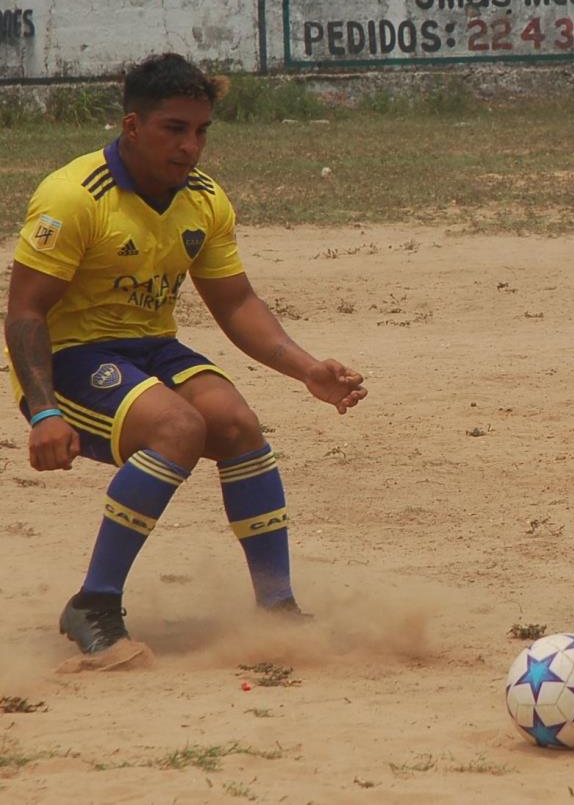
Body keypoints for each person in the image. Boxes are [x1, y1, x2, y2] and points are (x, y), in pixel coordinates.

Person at [5, 53, 366, 657]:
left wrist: (308, 369)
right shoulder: (72, 196)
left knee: (237, 425)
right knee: (180, 427)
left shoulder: (203, 199)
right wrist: (44, 413)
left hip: (151, 350)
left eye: (200, 132)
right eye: (174, 129)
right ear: (132, 127)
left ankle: (276, 607)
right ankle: (93, 602)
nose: (190, 146)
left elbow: (236, 302)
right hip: (68, 362)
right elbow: (24, 314)